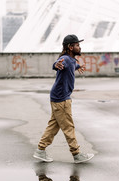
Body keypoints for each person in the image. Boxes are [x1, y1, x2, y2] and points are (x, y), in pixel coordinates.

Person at [33, 34, 94, 163]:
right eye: (77, 45)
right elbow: (57, 64)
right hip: (61, 98)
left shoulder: (71, 60)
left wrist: (78, 67)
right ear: (70, 47)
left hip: (57, 97)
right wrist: (56, 65)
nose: (79, 47)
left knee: (53, 126)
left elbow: (71, 65)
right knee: (68, 127)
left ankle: (40, 150)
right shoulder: (65, 59)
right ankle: (76, 154)